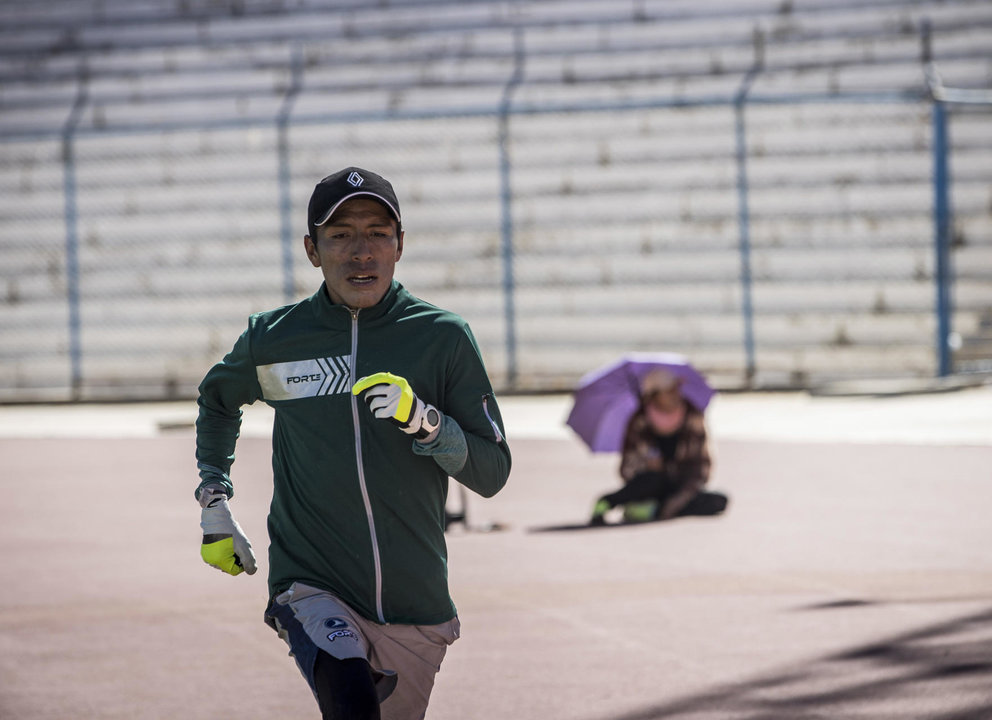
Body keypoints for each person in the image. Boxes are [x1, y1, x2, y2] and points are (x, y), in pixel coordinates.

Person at [194, 166, 512, 720]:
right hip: (310, 581)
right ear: (312, 250)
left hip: (418, 603)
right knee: (351, 700)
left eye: (377, 233)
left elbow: (492, 473)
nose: (361, 251)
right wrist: (214, 501)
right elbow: (218, 399)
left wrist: (428, 423)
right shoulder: (274, 338)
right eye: (340, 235)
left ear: (400, 245)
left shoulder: (442, 337)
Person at [590, 369, 727, 525]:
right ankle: (607, 502)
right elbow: (627, 468)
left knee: (717, 500)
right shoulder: (639, 422)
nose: (675, 395)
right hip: (650, 483)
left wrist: (681, 497)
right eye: (669, 391)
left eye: (676, 389)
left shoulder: (692, 418)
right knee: (651, 481)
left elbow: (701, 465)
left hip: (680, 483)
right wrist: (647, 464)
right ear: (654, 395)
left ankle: (653, 510)